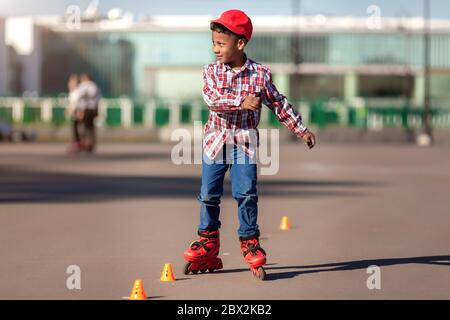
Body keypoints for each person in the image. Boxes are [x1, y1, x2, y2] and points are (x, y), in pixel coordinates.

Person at [183, 9, 316, 280]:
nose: (215, 49)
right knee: (208, 194)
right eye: (213, 43)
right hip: (215, 144)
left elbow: (278, 103)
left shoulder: (260, 74)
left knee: (246, 194)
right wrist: (240, 102)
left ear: (240, 43)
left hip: (244, 144)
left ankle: (249, 240)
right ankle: (208, 241)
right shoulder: (210, 72)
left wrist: (301, 130)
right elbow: (212, 99)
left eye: (221, 44)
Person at [67, 73, 101, 153]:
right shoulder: (94, 86)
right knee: (90, 127)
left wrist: (78, 111)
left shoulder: (83, 86)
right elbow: (98, 98)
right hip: (93, 109)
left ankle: (80, 143)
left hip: (84, 109)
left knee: (80, 126)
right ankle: (90, 143)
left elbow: (79, 99)